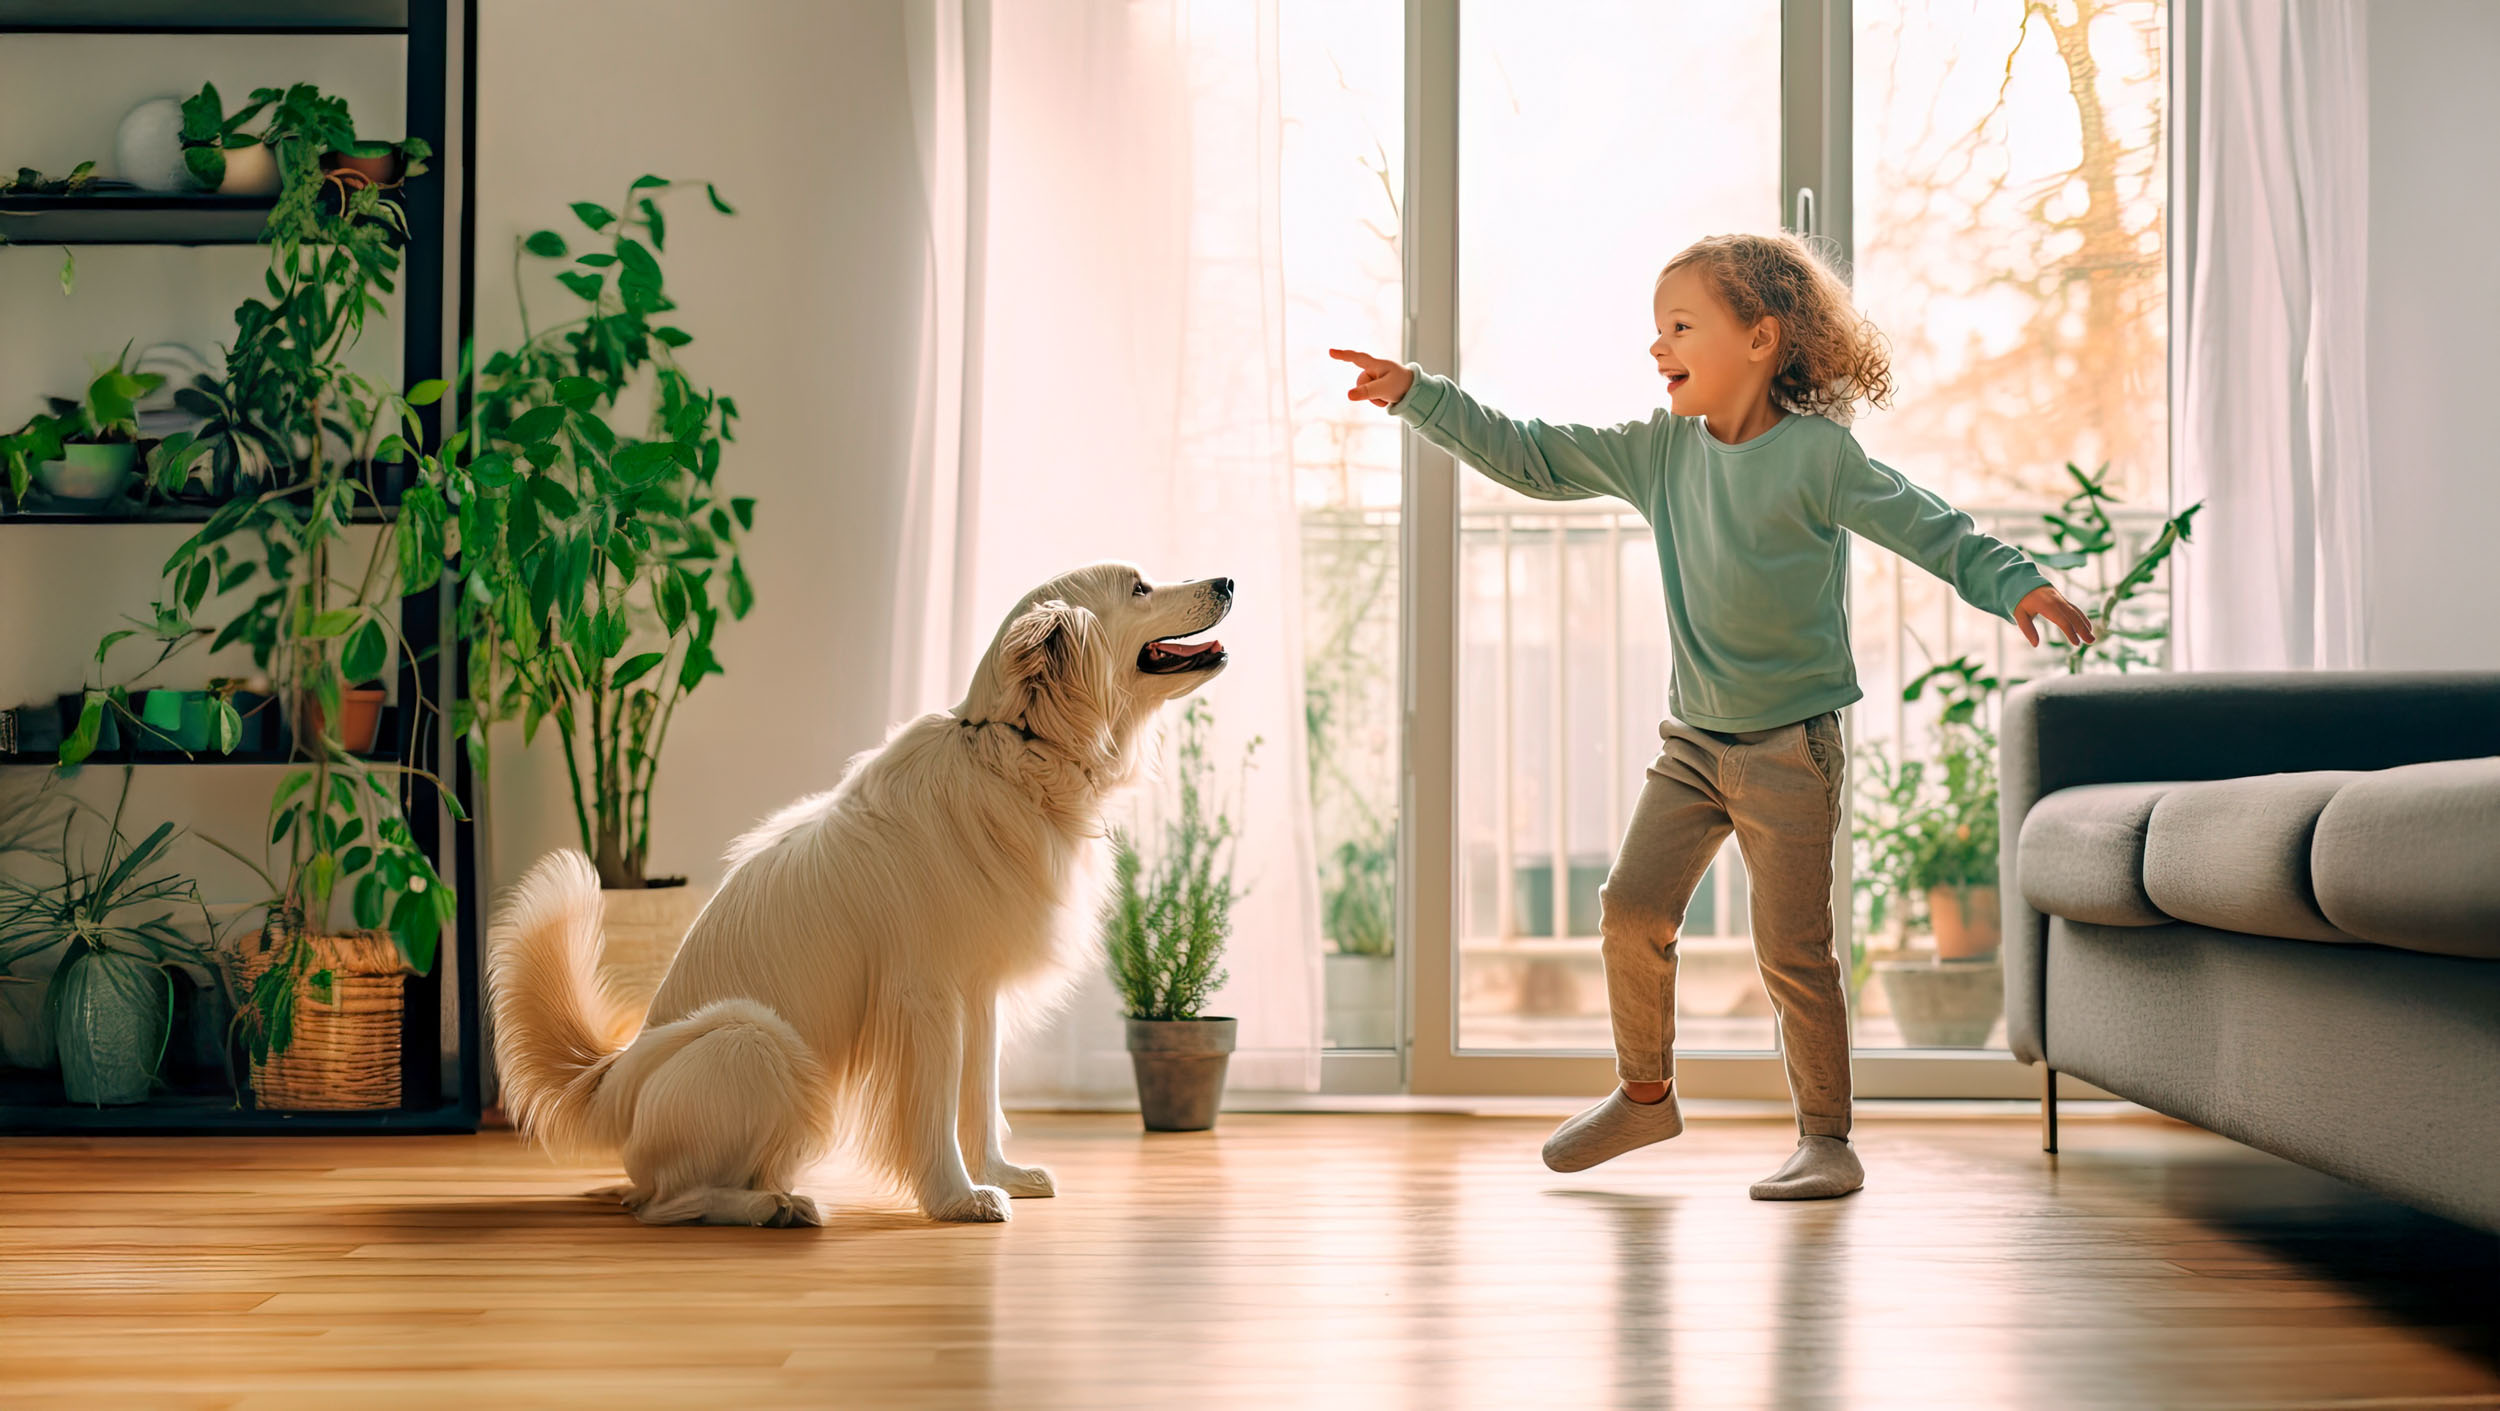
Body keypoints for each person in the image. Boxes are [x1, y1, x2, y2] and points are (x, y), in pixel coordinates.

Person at [1332, 231, 2094, 1200]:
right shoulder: (1661, 455)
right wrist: (1418, 395)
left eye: (1681, 327)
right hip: (1693, 744)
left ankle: (1827, 1138)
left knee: (1793, 951)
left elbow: (1927, 525)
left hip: (1790, 751)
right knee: (1631, 909)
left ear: (1762, 339)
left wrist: (2017, 586)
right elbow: (1530, 456)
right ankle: (1644, 1094)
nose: (1659, 348)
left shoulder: (1818, 457)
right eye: (1656, 332)